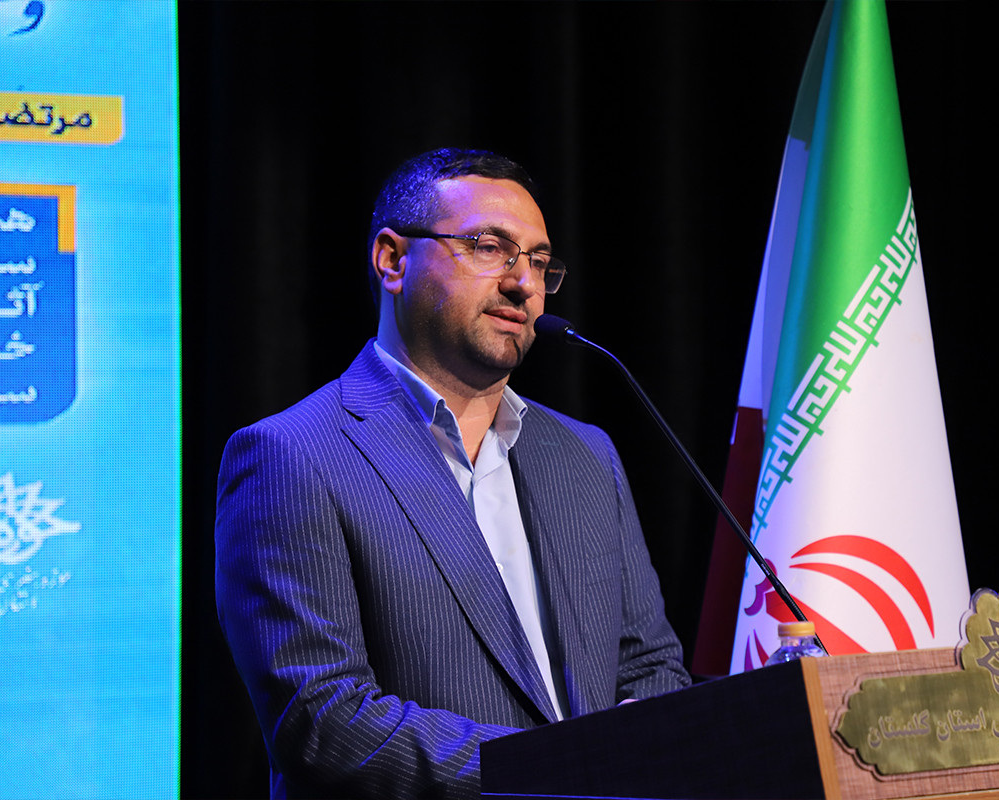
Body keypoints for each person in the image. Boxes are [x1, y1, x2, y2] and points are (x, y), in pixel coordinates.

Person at [215, 147, 690, 799]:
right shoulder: (291, 455)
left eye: (539, 262)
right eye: (489, 247)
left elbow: (650, 667)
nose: (523, 284)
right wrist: (561, 770)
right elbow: (323, 721)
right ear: (392, 260)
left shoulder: (586, 454)